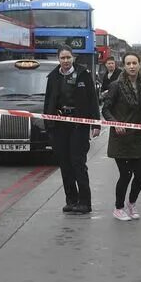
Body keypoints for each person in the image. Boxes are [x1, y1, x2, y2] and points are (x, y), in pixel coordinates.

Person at [43, 46, 101, 214]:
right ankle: (71, 200)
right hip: (60, 125)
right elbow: (48, 102)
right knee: (65, 164)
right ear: (58, 59)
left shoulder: (84, 75)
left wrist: (95, 124)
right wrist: (48, 124)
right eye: (63, 58)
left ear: (73, 58)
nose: (66, 61)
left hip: (79, 125)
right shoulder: (53, 76)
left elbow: (93, 101)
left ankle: (85, 202)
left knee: (78, 163)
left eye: (68, 57)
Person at [101, 52, 141, 221]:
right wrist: (115, 123)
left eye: (134, 63)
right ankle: (118, 207)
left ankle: (132, 203)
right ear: (124, 65)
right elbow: (105, 109)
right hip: (120, 137)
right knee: (125, 174)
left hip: (138, 136)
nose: (131, 66)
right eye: (128, 63)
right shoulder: (116, 85)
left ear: (139, 64)